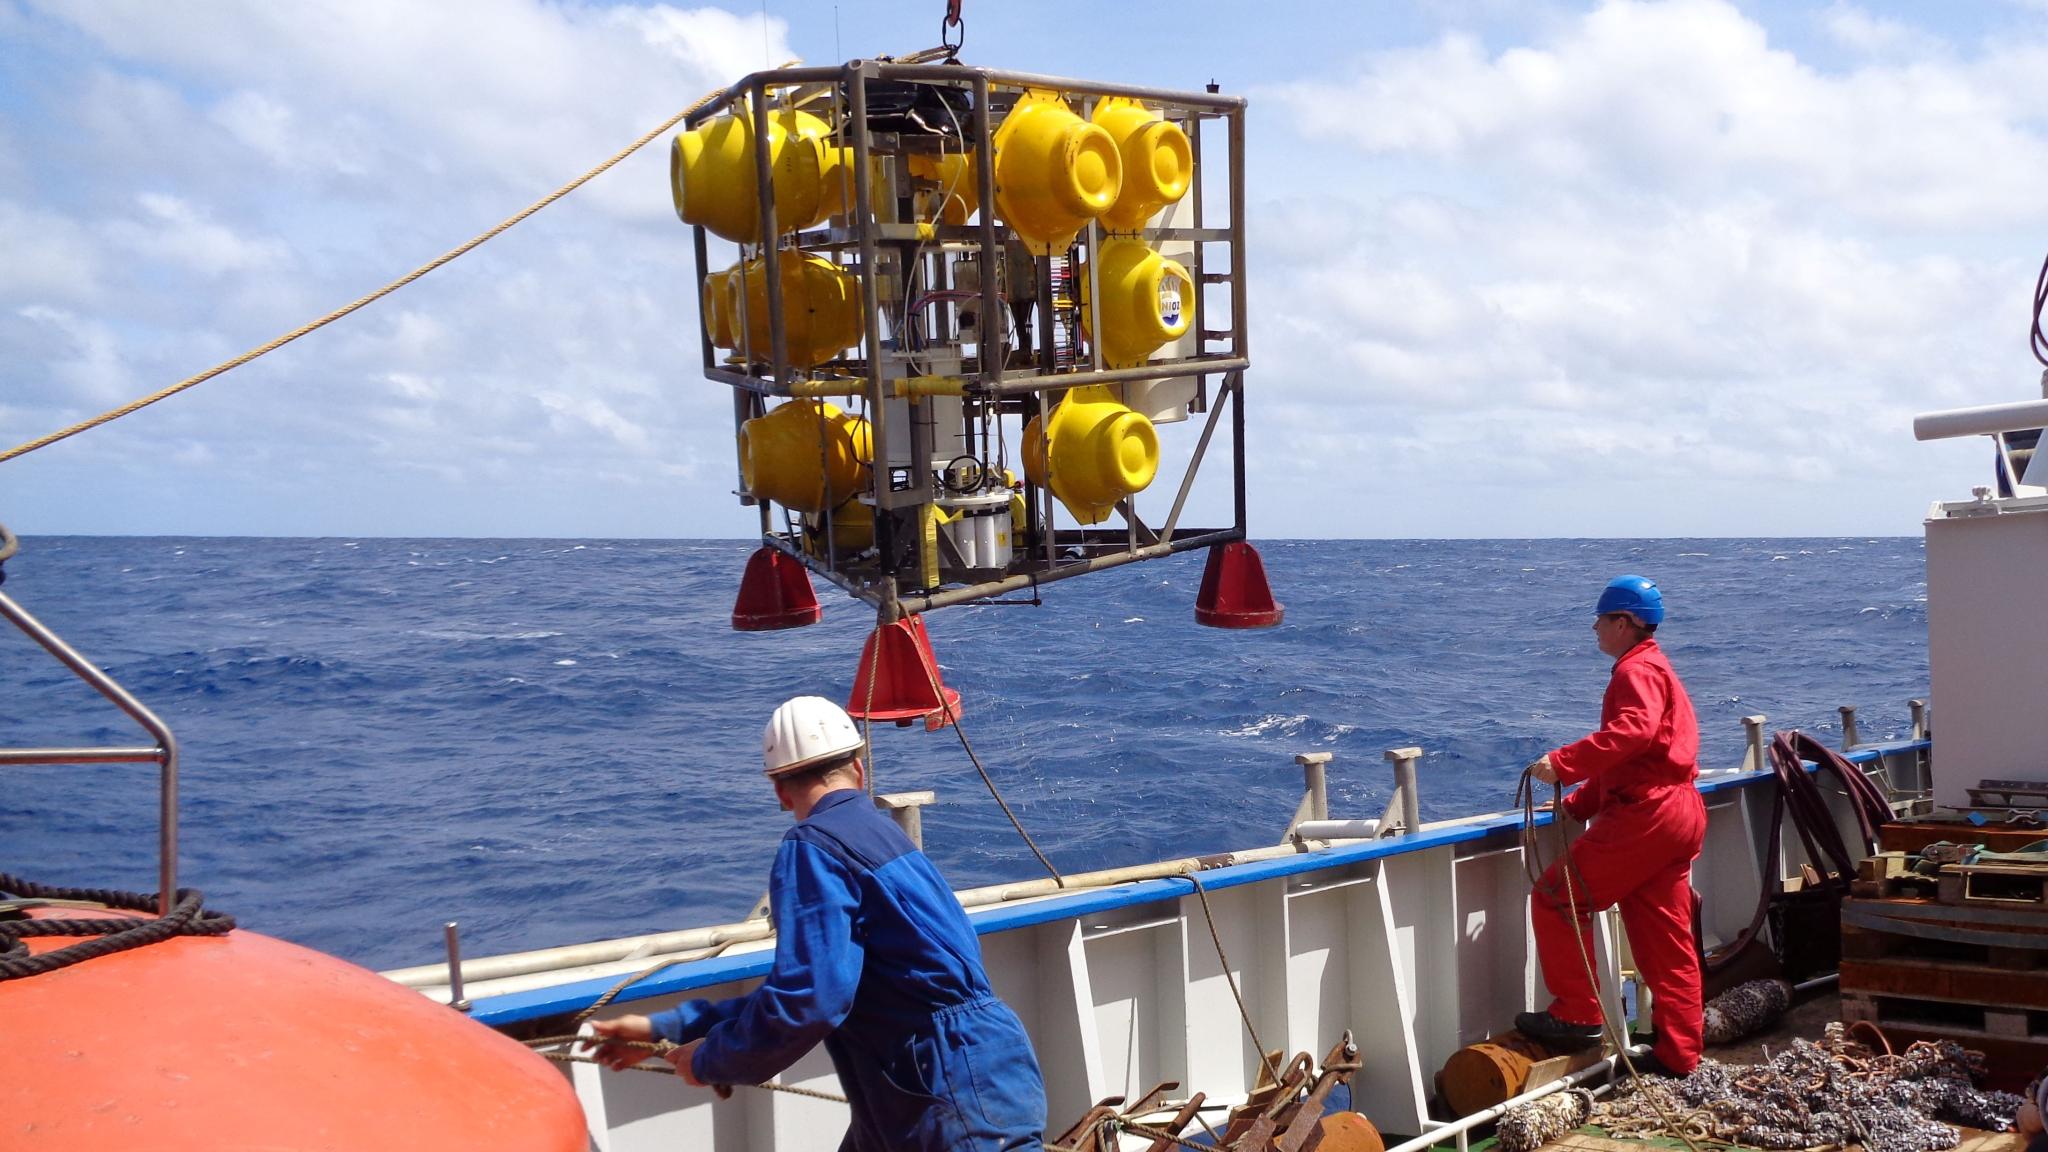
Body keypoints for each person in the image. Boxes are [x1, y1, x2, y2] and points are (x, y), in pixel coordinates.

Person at [583, 695, 1046, 1152]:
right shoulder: (884, 837)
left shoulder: (814, 848)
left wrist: (710, 1059)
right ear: (858, 771)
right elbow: (819, 987)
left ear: (781, 790)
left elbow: (811, 1000)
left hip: (940, 1088)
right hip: (961, 1076)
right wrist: (667, 1029)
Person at [1517, 575, 1707, 1079]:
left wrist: (1563, 764)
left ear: (1623, 623)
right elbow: (1640, 754)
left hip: (1648, 816)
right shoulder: (1660, 669)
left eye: (1602, 620)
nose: (1596, 629)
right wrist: (1580, 805)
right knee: (1667, 943)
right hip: (1679, 811)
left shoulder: (1635, 671)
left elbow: (1631, 733)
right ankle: (1679, 1055)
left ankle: (1577, 1013)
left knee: (1557, 895)